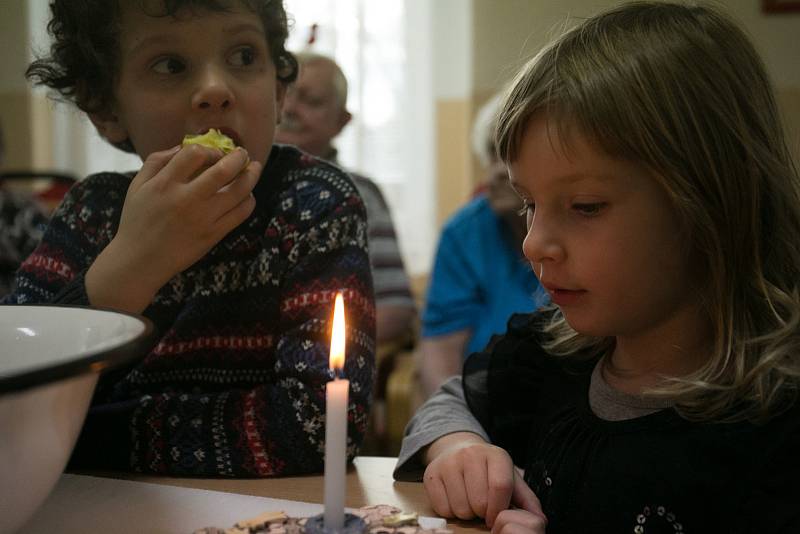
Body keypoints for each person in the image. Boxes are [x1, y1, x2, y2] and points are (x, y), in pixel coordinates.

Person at [394, 2, 800, 532]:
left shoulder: (775, 425)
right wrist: (460, 447)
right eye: (529, 205)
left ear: (714, 201)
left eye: (585, 207)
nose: (535, 244)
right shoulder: (551, 356)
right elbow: (447, 402)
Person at [5, 0, 375, 477]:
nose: (216, 89)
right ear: (106, 109)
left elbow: (320, 425)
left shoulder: (316, 205)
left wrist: (86, 434)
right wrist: (131, 267)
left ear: (279, 90)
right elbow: (12, 406)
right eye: (170, 64)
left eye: (244, 56)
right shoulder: (90, 216)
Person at [275, 51, 416, 346]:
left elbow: (395, 308)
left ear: (342, 121)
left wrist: (318, 345)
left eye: (310, 101)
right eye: (282, 94)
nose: (289, 108)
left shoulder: (360, 194)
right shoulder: (233, 186)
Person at [417, 95, 548, 398]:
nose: (498, 171)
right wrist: (457, 427)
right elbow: (440, 350)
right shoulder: (464, 233)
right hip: (483, 409)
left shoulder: (586, 230)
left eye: (512, 153)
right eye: (492, 153)